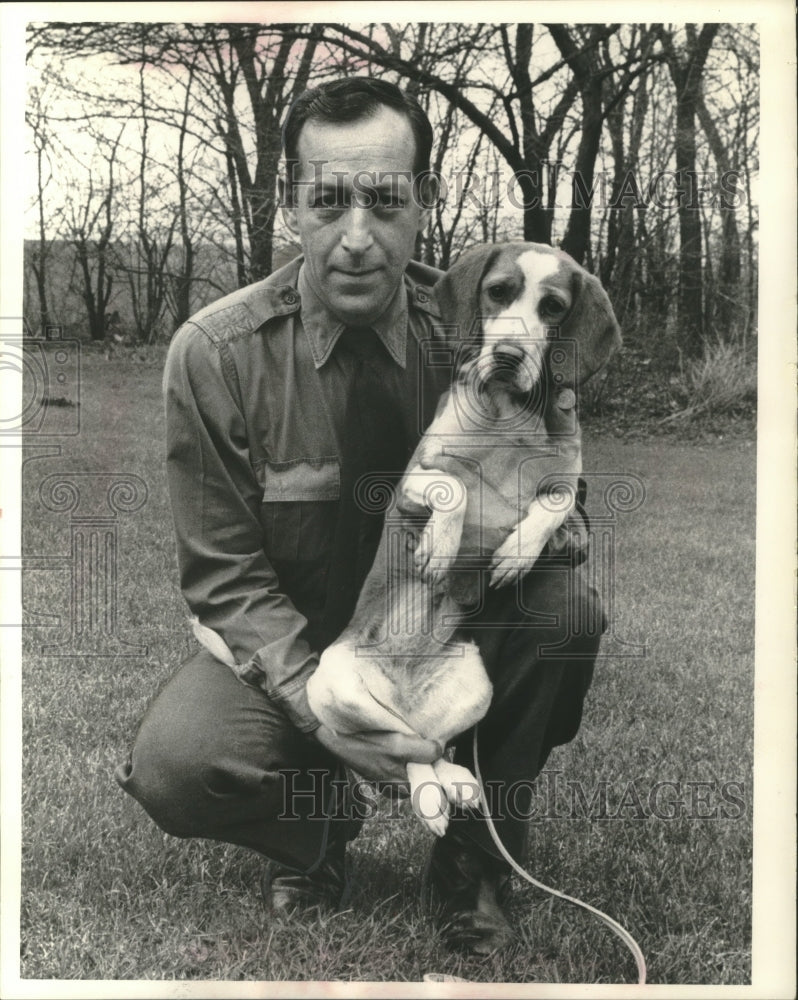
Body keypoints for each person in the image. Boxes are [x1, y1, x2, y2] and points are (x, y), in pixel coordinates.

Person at [115, 77, 604, 955]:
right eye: (327, 200)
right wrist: (334, 720)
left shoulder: (490, 324)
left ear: (425, 204)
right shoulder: (215, 354)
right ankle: (318, 830)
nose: (355, 237)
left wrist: (530, 512)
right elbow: (224, 577)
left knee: (564, 610)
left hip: (446, 628)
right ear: (289, 205)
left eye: (384, 203)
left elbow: (564, 522)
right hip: (301, 642)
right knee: (178, 763)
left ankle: (474, 862)